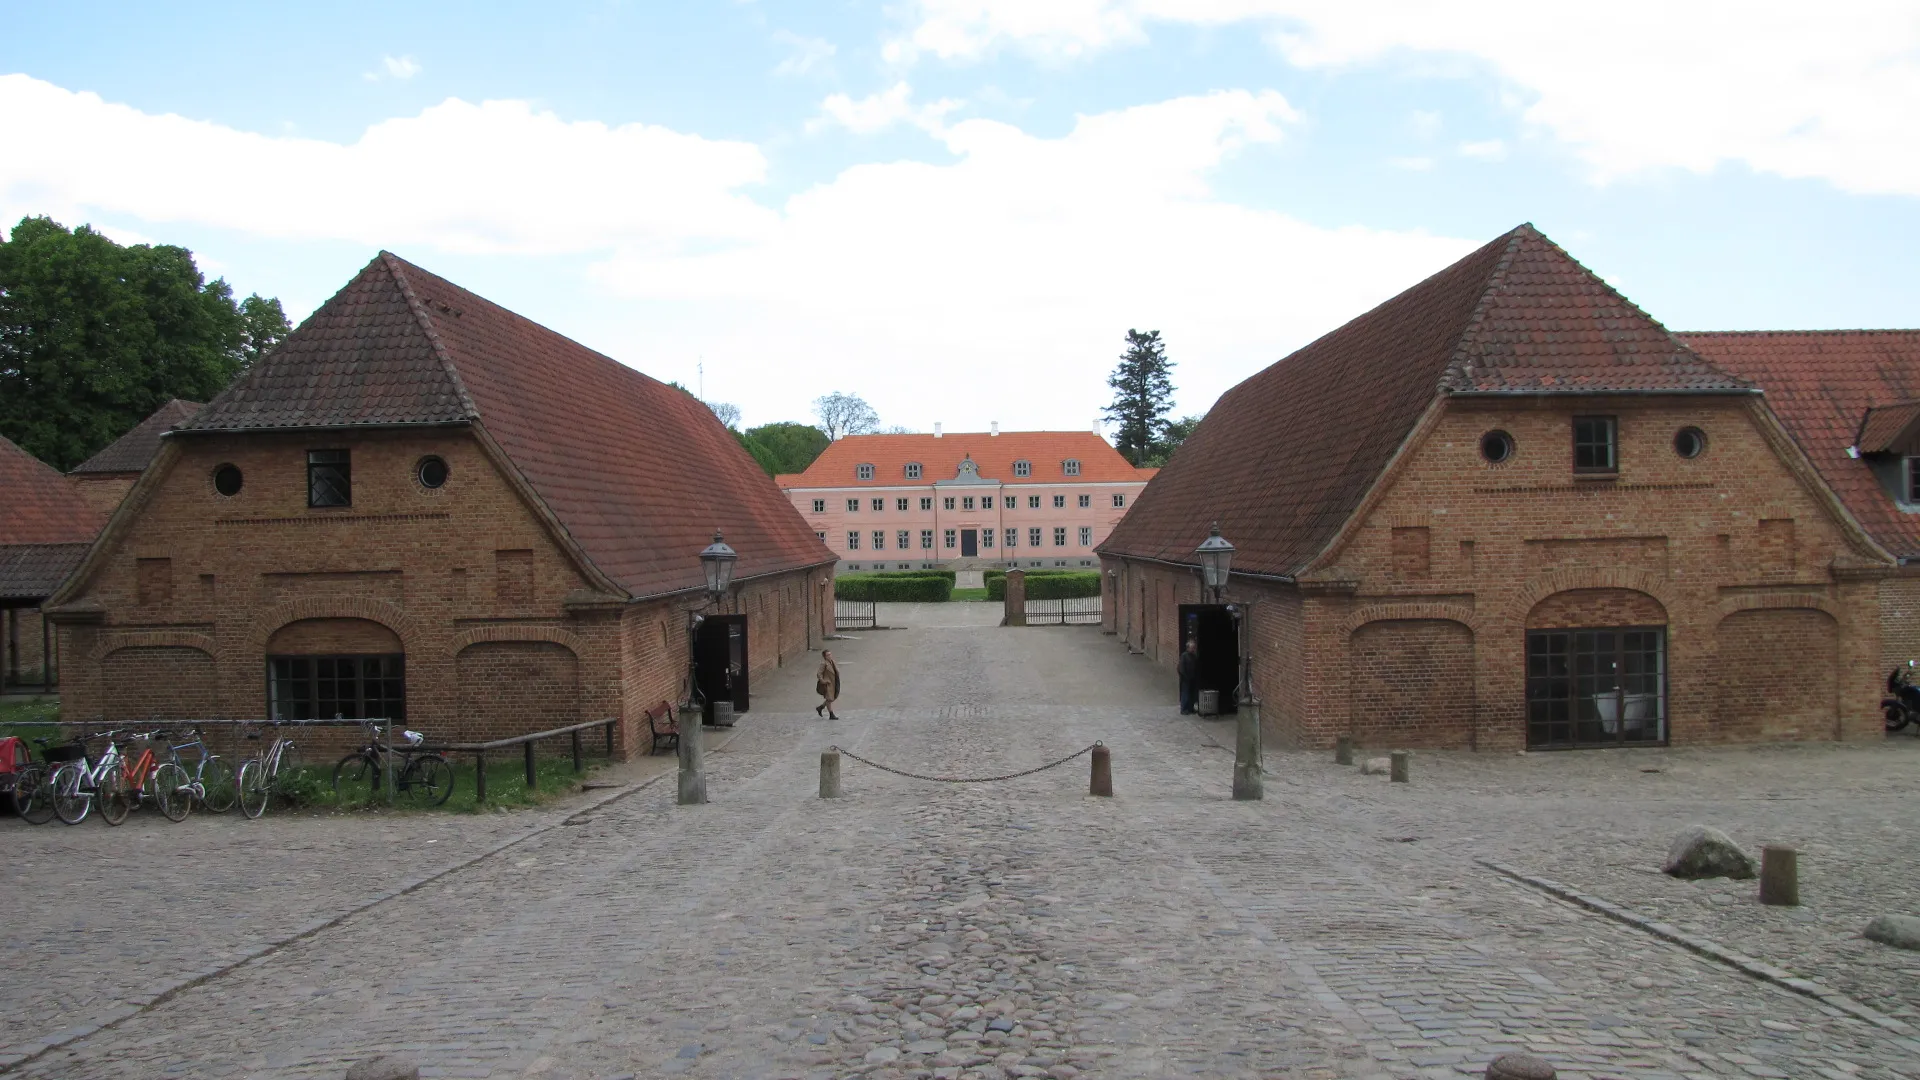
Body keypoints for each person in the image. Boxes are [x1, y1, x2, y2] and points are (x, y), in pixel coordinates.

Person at [815, 650, 841, 719]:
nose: (830, 656)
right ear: (825, 657)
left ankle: (820, 707)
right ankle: (831, 715)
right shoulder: (824, 664)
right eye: (828, 655)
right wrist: (823, 681)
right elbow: (819, 673)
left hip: (835, 682)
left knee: (832, 698)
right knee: (829, 699)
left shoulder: (833, 662)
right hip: (828, 684)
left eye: (830, 654)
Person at [1177, 638, 1199, 714]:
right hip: (1185, 679)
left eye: (1194, 648)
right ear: (1188, 648)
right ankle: (1183, 709)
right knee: (1185, 694)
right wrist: (1185, 677)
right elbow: (1181, 668)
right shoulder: (1184, 656)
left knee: (1192, 694)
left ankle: (1190, 708)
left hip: (1192, 678)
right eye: (1192, 648)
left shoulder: (1194, 656)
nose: (1193, 649)